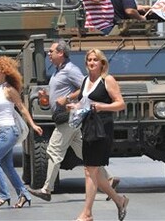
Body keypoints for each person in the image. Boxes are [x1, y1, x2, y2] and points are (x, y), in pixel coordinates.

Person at [29, 40, 118, 201]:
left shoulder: (70, 70)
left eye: (52, 51)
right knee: (83, 152)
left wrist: (68, 98)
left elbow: (85, 88)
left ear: (61, 53)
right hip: (66, 117)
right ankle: (109, 180)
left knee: (53, 150)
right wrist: (48, 97)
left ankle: (46, 189)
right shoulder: (58, 71)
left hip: (69, 118)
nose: (49, 54)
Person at [71, 48, 128, 221]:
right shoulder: (85, 80)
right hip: (88, 127)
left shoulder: (107, 80)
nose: (92, 63)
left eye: (95, 60)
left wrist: (103, 106)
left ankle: (87, 213)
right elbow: (85, 103)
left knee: (91, 171)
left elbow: (121, 104)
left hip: (102, 128)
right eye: (89, 60)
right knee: (92, 171)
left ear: (102, 63)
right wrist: (75, 107)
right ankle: (119, 200)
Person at [0, 56, 43, 208]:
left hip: (8, 131)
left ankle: (3, 194)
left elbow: (22, 108)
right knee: (7, 166)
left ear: (4, 72)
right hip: (1, 131)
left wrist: (33, 125)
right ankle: (23, 194)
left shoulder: (10, 90)